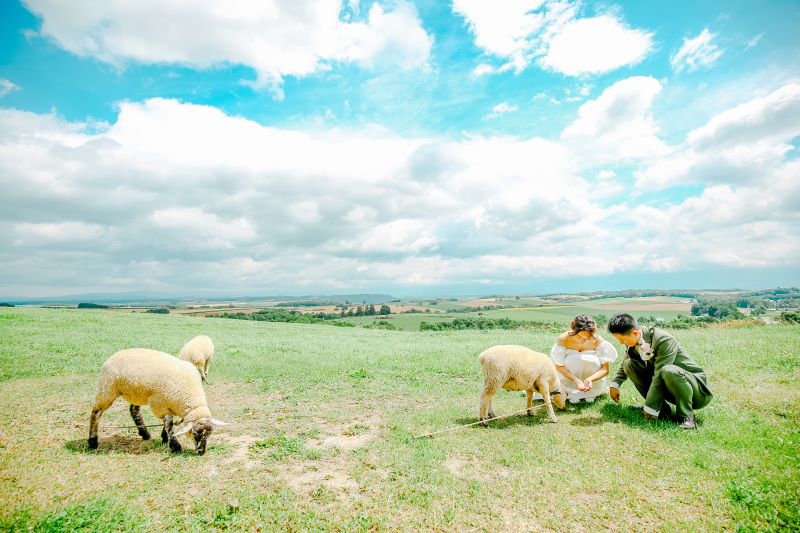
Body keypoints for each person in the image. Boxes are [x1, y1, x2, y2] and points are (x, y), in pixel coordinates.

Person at [607, 313, 713, 430]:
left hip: (697, 392)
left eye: (622, 339)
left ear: (635, 333)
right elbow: (626, 361)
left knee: (668, 370)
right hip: (670, 386)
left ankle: (686, 416)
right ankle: (661, 409)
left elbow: (659, 374)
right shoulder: (632, 340)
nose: (621, 343)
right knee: (629, 365)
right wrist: (615, 384)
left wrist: (650, 407)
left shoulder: (663, 339)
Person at [549, 314, 618, 403]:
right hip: (569, 374)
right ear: (573, 331)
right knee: (571, 360)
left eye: (588, 337)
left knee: (593, 361)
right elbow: (559, 366)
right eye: (579, 337)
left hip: (590, 374)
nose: (582, 340)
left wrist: (590, 379)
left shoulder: (598, 341)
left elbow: (605, 369)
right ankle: (571, 392)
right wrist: (575, 379)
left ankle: (591, 392)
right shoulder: (563, 339)